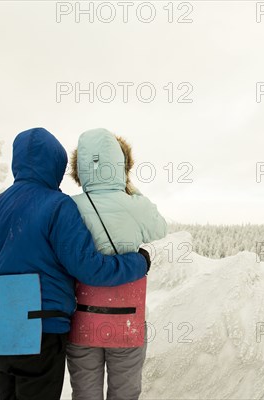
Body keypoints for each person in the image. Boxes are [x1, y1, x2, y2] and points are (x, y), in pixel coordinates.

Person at [0, 127, 151, 400]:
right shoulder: (57, 205)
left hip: (1, 326)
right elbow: (89, 268)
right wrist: (137, 262)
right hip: (42, 326)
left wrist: (12, 304)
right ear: (57, 164)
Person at [66, 128, 167, 400]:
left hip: (82, 318)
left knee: (85, 394)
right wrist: (129, 190)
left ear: (80, 169)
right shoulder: (134, 205)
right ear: (121, 165)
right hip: (127, 318)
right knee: (125, 393)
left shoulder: (69, 206)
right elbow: (159, 229)